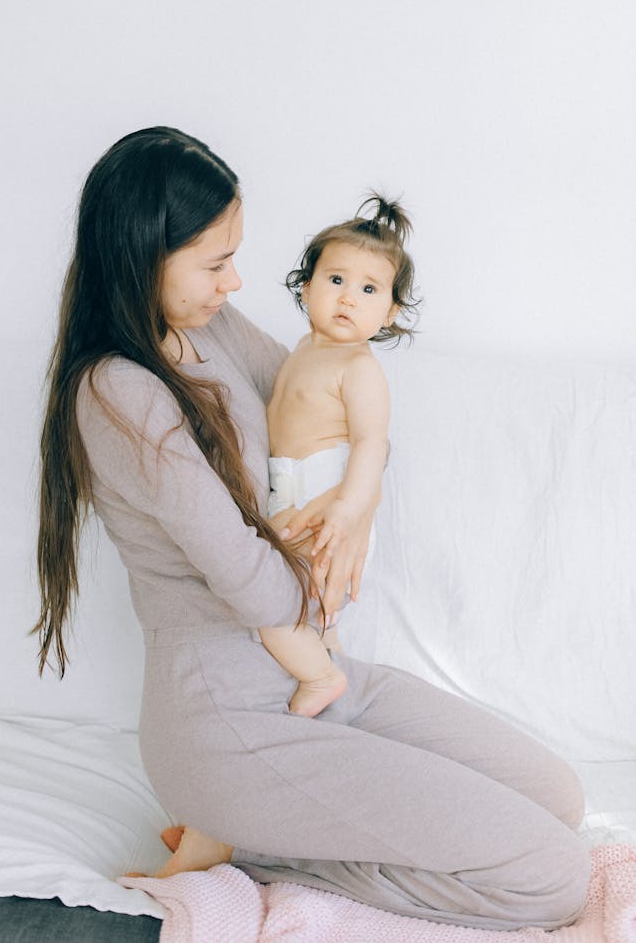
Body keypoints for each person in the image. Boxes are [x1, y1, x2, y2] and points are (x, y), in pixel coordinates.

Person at [35, 127, 590, 930]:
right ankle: (261, 844)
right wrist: (320, 525)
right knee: (553, 880)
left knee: (559, 798)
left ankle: (256, 829)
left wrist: (353, 503)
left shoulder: (212, 327)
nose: (236, 281)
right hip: (231, 718)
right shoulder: (119, 392)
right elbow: (250, 580)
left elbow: (336, 400)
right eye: (215, 260)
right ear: (142, 253)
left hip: (317, 673)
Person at [259, 197, 416, 717]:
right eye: (336, 281)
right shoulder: (304, 349)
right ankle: (334, 665)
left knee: (266, 602)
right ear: (306, 287)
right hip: (292, 488)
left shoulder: (359, 368)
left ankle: (322, 677)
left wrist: (350, 507)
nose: (349, 298)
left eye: (369, 289)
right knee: (307, 608)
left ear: (390, 312)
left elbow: (372, 441)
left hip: (327, 497)